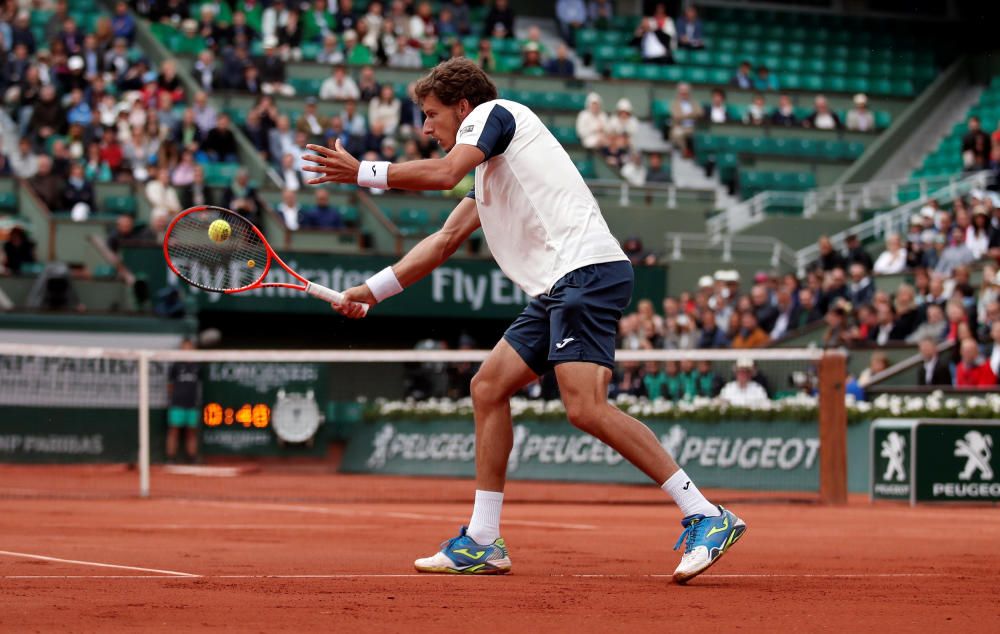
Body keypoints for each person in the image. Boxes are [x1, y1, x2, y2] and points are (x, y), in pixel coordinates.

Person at [301, 57, 745, 583]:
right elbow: (442, 242)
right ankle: (483, 541)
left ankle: (705, 515)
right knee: (488, 387)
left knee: (585, 408)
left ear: (464, 108)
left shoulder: (497, 114)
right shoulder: (492, 173)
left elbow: (443, 174)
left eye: (431, 114)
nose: (425, 128)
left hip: (586, 273)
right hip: (556, 288)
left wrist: (364, 172)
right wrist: (370, 292)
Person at [166, 339, 202, 463]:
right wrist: (175, 398)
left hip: (192, 404)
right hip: (177, 404)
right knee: (174, 431)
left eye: (189, 347)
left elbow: (199, 385)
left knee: (191, 432)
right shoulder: (176, 365)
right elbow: (169, 385)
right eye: (184, 347)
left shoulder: (197, 366)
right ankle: (171, 458)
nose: (186, 349)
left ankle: (192, 458)